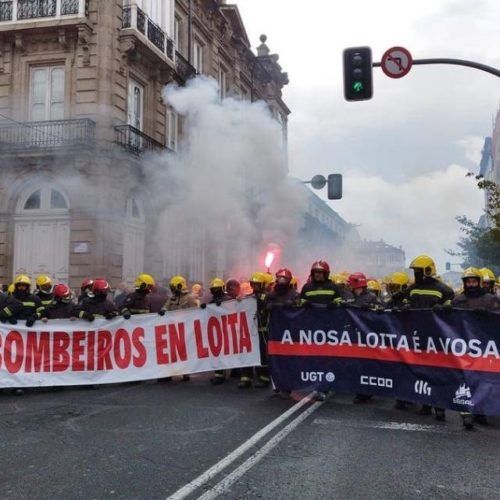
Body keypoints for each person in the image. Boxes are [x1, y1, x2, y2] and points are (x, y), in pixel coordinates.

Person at [405, 255, 454, 421]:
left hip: (436, 338)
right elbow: (400, 302)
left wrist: (445, 308)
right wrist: (403, 306)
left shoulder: (444, 290)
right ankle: (425, 404)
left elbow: (454, 309)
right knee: (421, 371)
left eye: (418, 271)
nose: (416, 274)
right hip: (417, 337)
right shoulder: (411, 288)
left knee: (436, 372)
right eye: (415, 271)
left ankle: (439, 407)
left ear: (428, 271)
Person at [452, 267, 499, 430]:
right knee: (465, 380)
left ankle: (480, 411)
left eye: (473, 281)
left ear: (479, 282)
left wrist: (487, 314)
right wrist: (442, 311)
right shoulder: (458, 300)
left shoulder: (491, 299)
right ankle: (466, 414)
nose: (471, 285)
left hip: (485, 347)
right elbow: (451, 321)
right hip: (464, 346)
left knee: (483, 379)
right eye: (468, 282)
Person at [347, 272, 383, 404]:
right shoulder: (352, 298)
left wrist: (372, 308)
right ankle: (361, 391)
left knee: (367, 365)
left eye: (350, 284)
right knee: (358, 365)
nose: (349, 287)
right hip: (356, 337)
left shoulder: (371, 297)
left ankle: (366, 392)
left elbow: (382, 311)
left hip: (369, 337)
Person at [266, 268, 300, 399]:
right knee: (274, 358)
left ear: (289, 280)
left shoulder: (294, 295)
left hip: (290, 332)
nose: (281, 280)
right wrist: (274, 305)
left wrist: (292, 304)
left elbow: (300, 310)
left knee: (289, 359)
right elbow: (266, 307)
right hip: (275, 332)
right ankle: (277, 385)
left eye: (284, 278)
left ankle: (287, 387)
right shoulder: (271, 294)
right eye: (279, 278)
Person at [160, 275, 198, 382]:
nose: (172, 289)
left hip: (185, 330)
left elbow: (196, 312)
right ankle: (169, 373)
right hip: (173, 330)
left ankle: (185, 372)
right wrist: (162, 311)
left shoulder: (190, 298)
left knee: (184, 352)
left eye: (173, 287)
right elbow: (165, 307)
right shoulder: (172, 299)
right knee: (171, 351)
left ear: (179, 286)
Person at [238, 272, 270, 389]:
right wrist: (238, 302)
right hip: (250, 331)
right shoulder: (248, 297)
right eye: (253, 284)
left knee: (262, 355)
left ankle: (264, 378)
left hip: (262, 331)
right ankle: (246, 378)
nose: (255, 286)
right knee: (248, 354)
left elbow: (268, 307)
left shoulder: (267, 297)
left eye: (257, 284)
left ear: (262, 285)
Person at [205, 278, 232, 386]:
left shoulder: (229, 299)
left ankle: (229, 372)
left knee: (226, 352)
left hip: (227, 330)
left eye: (217, 289)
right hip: (216, 331)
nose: (215, 291)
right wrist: (204, 308)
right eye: (213, 289)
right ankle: (219, 374)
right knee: (217, 353)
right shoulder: (212, 301)